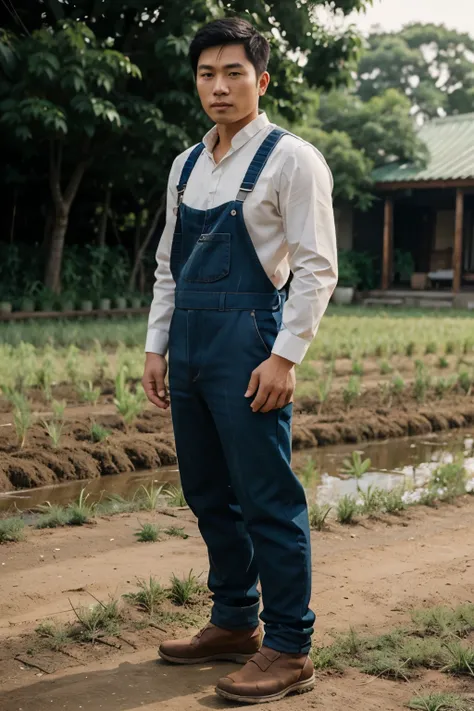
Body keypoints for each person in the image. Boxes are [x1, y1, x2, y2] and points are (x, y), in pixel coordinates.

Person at [142, 16, 337, 704]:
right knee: (207, 493)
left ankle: (290, 645)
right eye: (206, 74)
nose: (219, 87)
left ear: (262, 79)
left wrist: (286, 358)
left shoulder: (291, 159)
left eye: (233, 73)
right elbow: (169, 267)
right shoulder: (186, 164)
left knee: (267, 499)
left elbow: (316, 269)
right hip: (190, 345)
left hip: (252, 344)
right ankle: (234, 621)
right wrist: (156, 345)